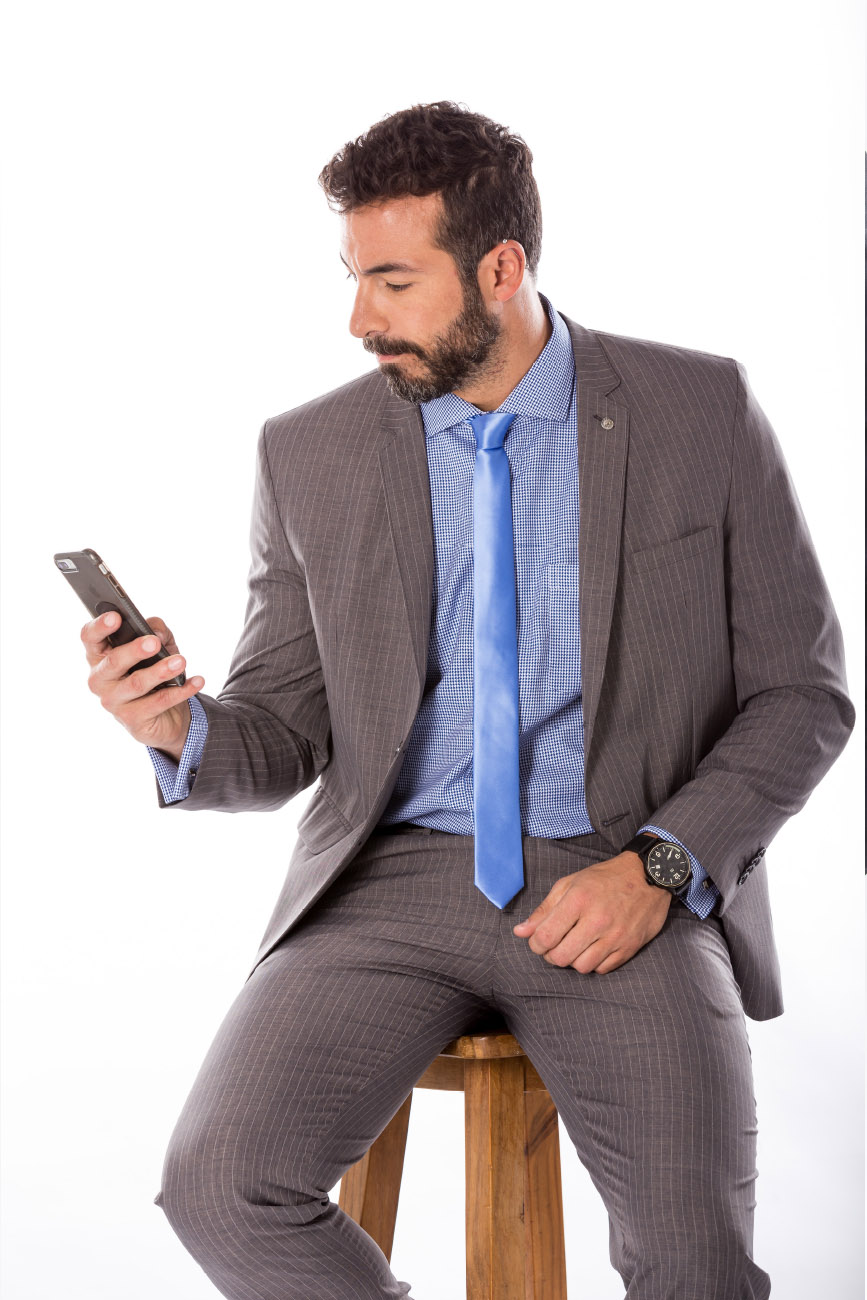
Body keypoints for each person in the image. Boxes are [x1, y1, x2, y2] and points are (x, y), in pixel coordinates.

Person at [80, 101, 854, 1299]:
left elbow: (801, 694)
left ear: (500, 268)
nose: (359, 319)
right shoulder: (311, 451)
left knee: (696, 1264)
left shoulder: (698, 408)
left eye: (393, 282)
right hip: (391, 882)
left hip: (622, 867)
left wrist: (659, 868)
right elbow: (285, 724)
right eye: (352, 277)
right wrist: (178, 725)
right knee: (223, 1186)